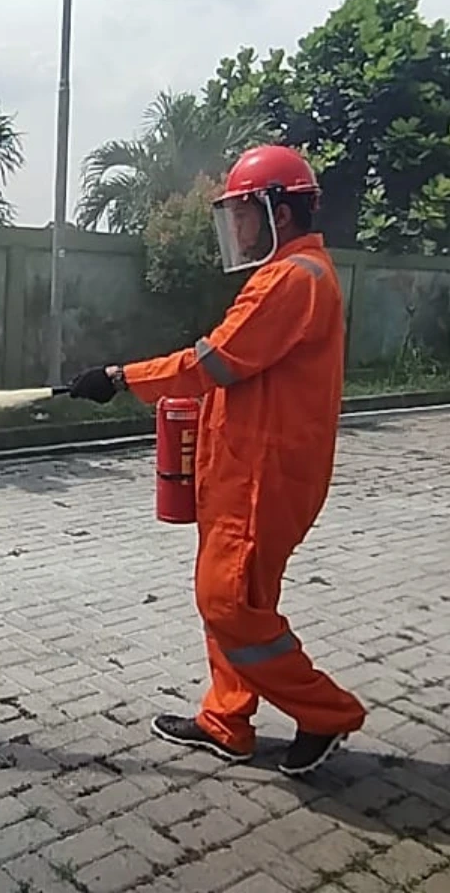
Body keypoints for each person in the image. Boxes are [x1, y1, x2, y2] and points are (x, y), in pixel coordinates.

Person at [68, 144, 366, 777]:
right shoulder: (290, 273)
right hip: (244, 469)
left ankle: (327, 711)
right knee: (235, 596)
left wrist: (120, 377)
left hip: (265, 475)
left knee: (228, 604)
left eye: (244, 214)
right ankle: (225, 720)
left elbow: (213, 364)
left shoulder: (293, 280)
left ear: (277, 211)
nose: (237, 230)